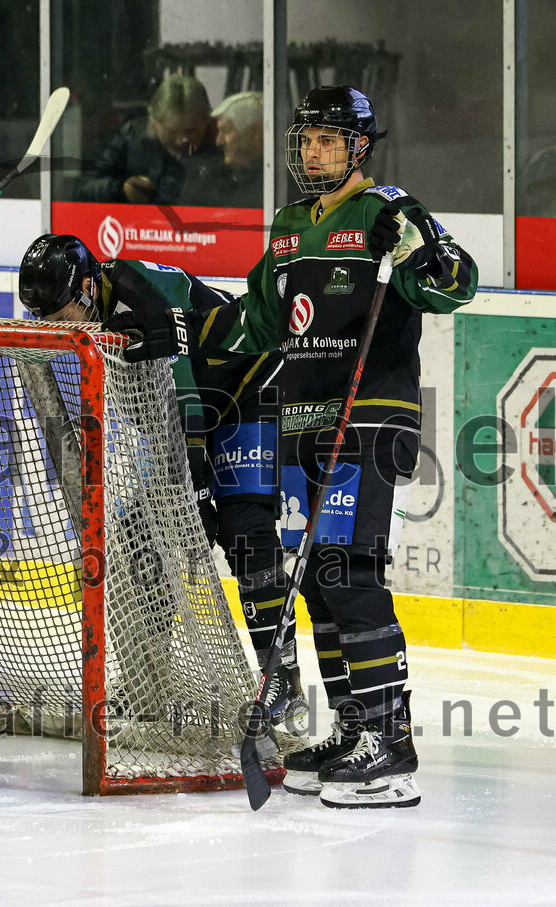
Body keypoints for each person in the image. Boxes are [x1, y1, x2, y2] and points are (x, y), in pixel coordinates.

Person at [105, 86, 478, 809]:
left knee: (350, 571)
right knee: (317, 581)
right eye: (306, 140)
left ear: (359, 148)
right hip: (303, 423)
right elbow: (257, 323)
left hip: (368, 417)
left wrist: (423, 251)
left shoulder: (384, 212)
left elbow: (454, 284)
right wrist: (185, 335)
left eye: (329, 141)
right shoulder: (285, 227)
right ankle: (350, 729)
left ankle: (389, 742)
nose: (313, 152)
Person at [17, 234, 307, 726]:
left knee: (244, 532)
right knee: (140, 539)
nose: (54, 325)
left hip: (244, 392)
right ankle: (146, 681)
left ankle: (282, 678)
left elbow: (183, 382)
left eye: (60, 311)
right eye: (44, 317)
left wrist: (192, 480)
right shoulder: (74, 308)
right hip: (175, 420)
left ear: (87, 287)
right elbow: (35, 347)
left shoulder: (139, 286)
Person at [74, 74, 227, 206]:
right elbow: (83, 188)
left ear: (207, 121)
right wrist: (120, 189)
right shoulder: (131, 139)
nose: (181, 140)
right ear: (153, 122)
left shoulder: (223, 146)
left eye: (192, 131)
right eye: (171, 132)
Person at [212, 91, 263, 207]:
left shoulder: (279, 188)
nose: (218, 141)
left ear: (254, 132)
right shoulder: (224, 178)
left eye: (226, 130)